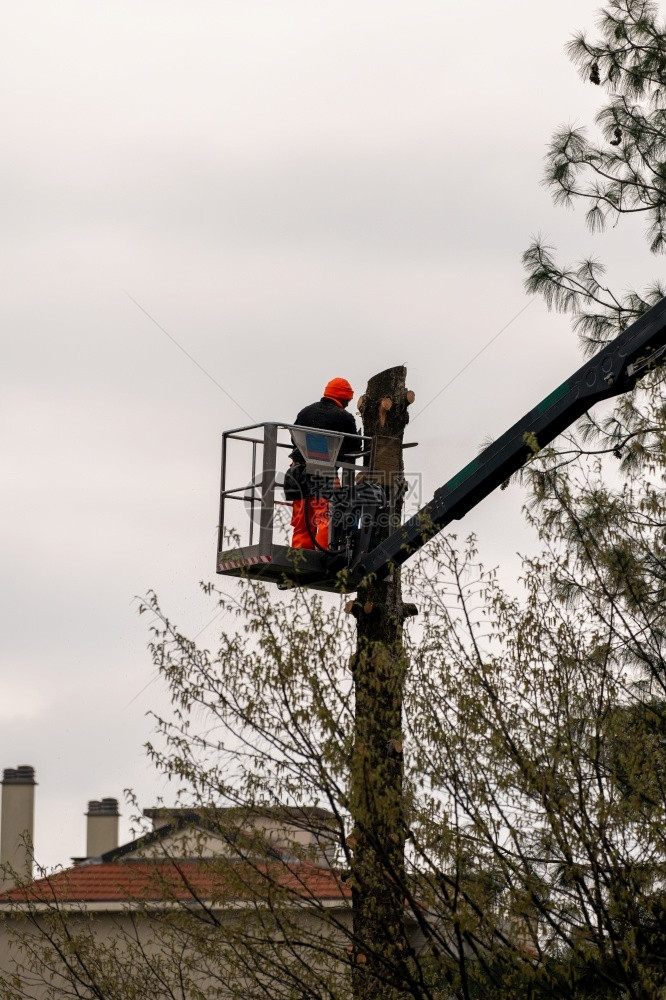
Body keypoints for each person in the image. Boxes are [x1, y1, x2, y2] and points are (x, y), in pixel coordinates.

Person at [287, 378, 358, 549]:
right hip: (323, 474)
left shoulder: (305, 412)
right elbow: (354, 447)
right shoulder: (344, 417)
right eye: (348, 400)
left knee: (302, 523)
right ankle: (323, 556)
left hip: (296, 471)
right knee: (327, 520)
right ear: (344, 398)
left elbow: (294, 439)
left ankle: (300, 558)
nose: (348, 404)